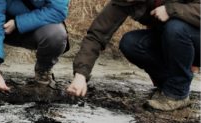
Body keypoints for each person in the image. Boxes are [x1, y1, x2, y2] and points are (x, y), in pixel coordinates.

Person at [66, 0, 200, 111]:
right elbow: (97, 35)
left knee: (175, 27)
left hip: (194, 41)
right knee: (131, 43)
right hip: (175, 42)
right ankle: (168, 86)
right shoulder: (125, 2)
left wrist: (172, 10)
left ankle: (178, 93)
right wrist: (80, 75)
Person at [0, 0, 70, 93]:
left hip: (38, 26)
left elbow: (58, 11)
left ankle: (43, 70)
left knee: (56, 34)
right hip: (4, 24)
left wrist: (18, 23)